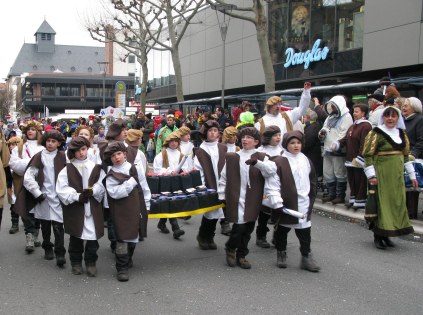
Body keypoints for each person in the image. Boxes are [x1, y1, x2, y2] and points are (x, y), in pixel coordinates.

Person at [264, 131, 319, 272]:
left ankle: (306, 257)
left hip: (304, 201)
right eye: (292, 143)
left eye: (298, 143)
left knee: (305, 231)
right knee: (283, 229)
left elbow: (312, 179)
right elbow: (273, 182)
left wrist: (311, 195)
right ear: (286, 144)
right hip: (287, 202)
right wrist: (276, 200)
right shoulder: (279, 161)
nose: (296, 146)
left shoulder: (305, 159)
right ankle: (281, 253)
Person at [362, 106, 417, 249]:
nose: (391, 118)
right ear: (383, 117)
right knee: (382, 203)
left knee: (394, 203)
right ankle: (378, 235)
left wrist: (412, 175)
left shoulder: (401, 133)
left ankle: (387, 234)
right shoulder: (376, 133)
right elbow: (368, 155)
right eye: (387, 116)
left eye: (393, 116)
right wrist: (371, 175)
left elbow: (405, 156)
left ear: (398, 118)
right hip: (382, 174)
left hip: (397, 176)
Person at [56, 137, 106, 277]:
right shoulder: (67, 169)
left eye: (83, 149)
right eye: (77, 151)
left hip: (92, 208)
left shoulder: (95, 167)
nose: (81, 153)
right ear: (72, 152)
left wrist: (93, 191)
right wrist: (77, 196)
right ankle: (76, 263)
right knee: (76, 238)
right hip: (76, 209)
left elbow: (102, 183)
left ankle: (91, 262)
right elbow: (61, 189)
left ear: (87, 149)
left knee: (92, 239)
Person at [104, 142, 151, 282]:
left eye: (119, 154)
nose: (116, 157)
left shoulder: (134, 168)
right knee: (122, 238)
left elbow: (143, 185)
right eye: (113, 155)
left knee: (134, 235)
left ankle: (128, 257)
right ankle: (121, 267)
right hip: (120, 209)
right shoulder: (111, 174)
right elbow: (114, 193)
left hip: (136, 206)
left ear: (124, 154)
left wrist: (147, 204)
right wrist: (130, 183)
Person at [23, 130, 67, 267]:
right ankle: (47, 247)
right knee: (45, 225)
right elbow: (28, 176)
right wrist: (37, 192)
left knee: (59, 226)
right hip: (43, 196)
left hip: (58, 196)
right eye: (48, 141)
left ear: (59, 143)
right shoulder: (39, 156)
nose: (50, 144)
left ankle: (60, 253)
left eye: (54, 141)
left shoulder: (63, 157)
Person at [11, 120, 44, 253]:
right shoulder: (20, 147)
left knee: (38, 212)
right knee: (26, 211)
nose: (30, 131)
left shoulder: (43, 147)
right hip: (23, 183)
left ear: (38, 131)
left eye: (33, 129)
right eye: (28, 129)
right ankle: (29, 237)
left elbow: (45, 166)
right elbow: (14, 164)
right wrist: (31, 164)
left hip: (40, 183)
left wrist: (29, 165)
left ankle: (36, 234)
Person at [194, 120, 227, 250]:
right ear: (205, 133)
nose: (213, 133)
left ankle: (210, 236)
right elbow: (199, 169)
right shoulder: (201, 150)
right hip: (209, 184)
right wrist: (202, 186)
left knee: (219, 213)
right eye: (210, 131)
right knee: (210, 212)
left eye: (215, 131)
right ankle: (203, 236)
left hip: (222, 184)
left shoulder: (223, 148)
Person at [153, 132, 192, 239]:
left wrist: (184, 171)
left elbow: (187, 168)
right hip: (166, 182)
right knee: (171, 203)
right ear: (167, 142)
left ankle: (161, 223)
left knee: (171, 203)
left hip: (177, 182)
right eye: (171, 141)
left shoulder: (181, 155)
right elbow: (157, 168)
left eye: (176, 141)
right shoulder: (163, 153)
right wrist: (168, 171)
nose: (174, 143)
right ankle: (176, 228)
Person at [336, 103, 372, 210]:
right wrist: (337, 143)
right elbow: (346, 139)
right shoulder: (353, 126)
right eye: (354, 111)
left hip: (358, 159)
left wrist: (360, 157)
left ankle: (360, 200)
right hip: (350, 158)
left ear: (363, 113)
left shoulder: (366, 126)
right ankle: (353, 198)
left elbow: (365, 143)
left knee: (360, 180)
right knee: (352, 180)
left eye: (357, 112)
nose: (354, 114)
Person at [318, 95, 353, 204]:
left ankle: (340, 195)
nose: (332, 108)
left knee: (339, 172)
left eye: (334, 106)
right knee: (327, 172)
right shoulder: (330, 117)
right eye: (331, 106)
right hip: (327, 149)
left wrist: (337, 144)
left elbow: (345, 133)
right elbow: (324, 128)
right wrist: (321, 133)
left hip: (338, 151)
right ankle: (331, 193)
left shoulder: (346, 117)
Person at [255, 126, 283, 248]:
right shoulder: (261, 151)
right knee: (264, 213)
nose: (278, 137)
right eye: (275, 135)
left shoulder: (283, 151)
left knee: (279, 212)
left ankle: (277, 236)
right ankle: (261, 236)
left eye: (279, 135)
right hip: (264, 185)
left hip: (280, 185)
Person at [402, 97, 423, 219]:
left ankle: (411, 213)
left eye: (406, 105)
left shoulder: (419, 120)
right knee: (404, 186)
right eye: (403, 105)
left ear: (414, 107)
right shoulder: (402, 120)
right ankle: (404, 211)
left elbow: (421, 140)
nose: (403, 107)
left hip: (415, 157)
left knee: (413, 186)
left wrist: (414, 154)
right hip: (403, 156)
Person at [302, 108, 323, 183]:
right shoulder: (312, 125)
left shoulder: (313, 127)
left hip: (312, 155)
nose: (303, 119)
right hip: (311, 154)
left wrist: (301, 149)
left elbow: (308, 141)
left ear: (308, 118)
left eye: (304, 117)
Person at [6, 136, 20, 234]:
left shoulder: (22, 154)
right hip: (11, 183)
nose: (11, 147)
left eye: (14, 144)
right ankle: (14, 224)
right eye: (10, 145)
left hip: (21, 182)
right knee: (13, 204)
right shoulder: (5, 156)